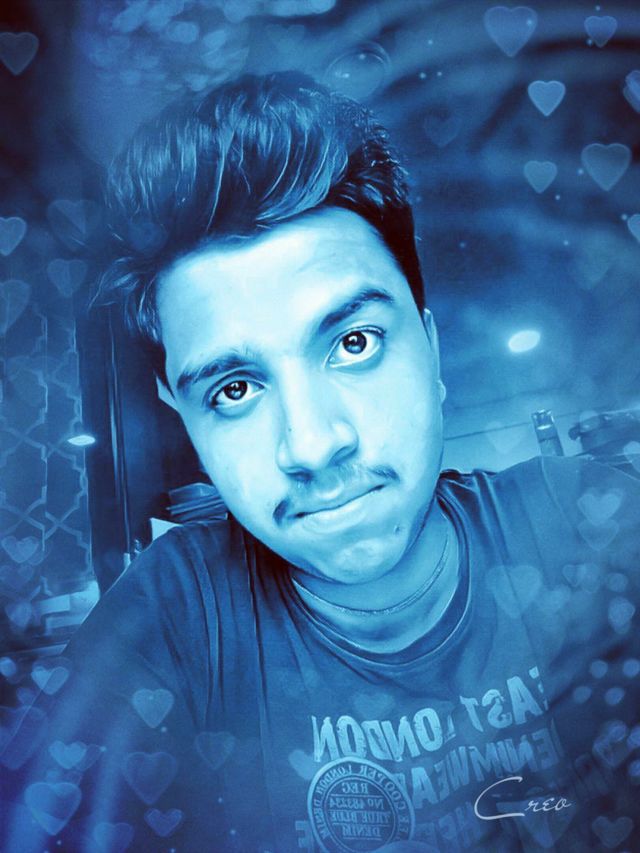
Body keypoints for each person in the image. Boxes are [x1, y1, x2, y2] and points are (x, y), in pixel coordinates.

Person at [2, 71, 639, 853]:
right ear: (188, 421)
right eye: (235, 389)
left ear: (431, 348)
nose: (311, 444)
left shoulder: (594, 525)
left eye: (354, 343)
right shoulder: (167, 624)